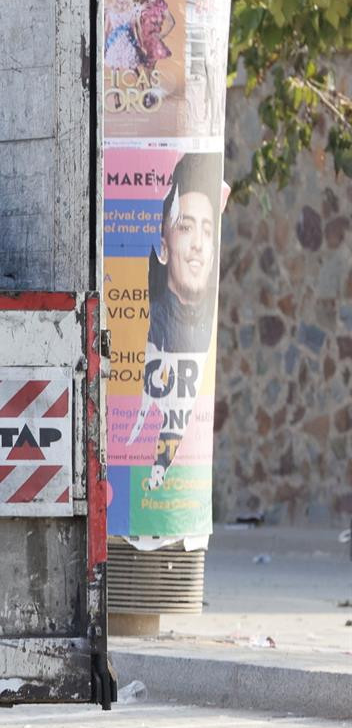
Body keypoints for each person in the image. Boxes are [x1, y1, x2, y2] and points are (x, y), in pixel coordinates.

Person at [129, 153, 222, 492]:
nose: (198, 243)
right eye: (186, 227)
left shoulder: (207, 325)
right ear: (164, 248)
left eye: (207, 230)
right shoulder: (156, 312)